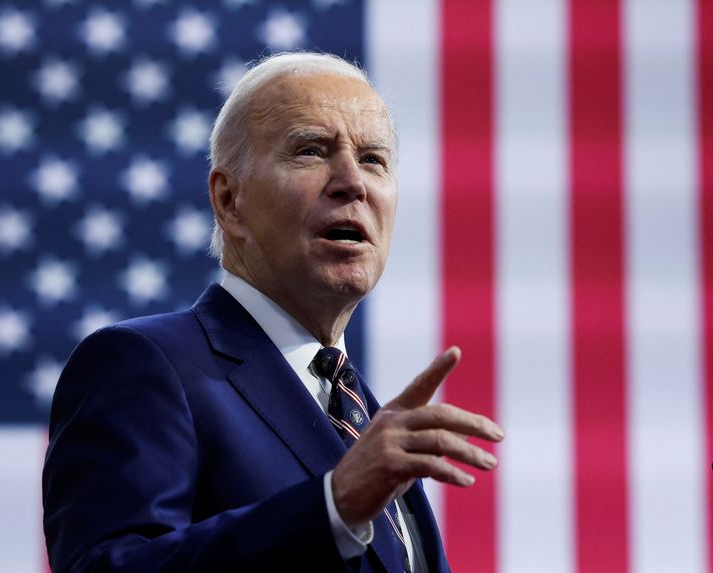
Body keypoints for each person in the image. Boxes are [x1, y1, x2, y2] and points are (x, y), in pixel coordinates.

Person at [42, 52, 504, 573]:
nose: (353, 182)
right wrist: (332, 507)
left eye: (374, 159)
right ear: (229, 200)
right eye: (311, 151)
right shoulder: (144, 365)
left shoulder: (361, 414)